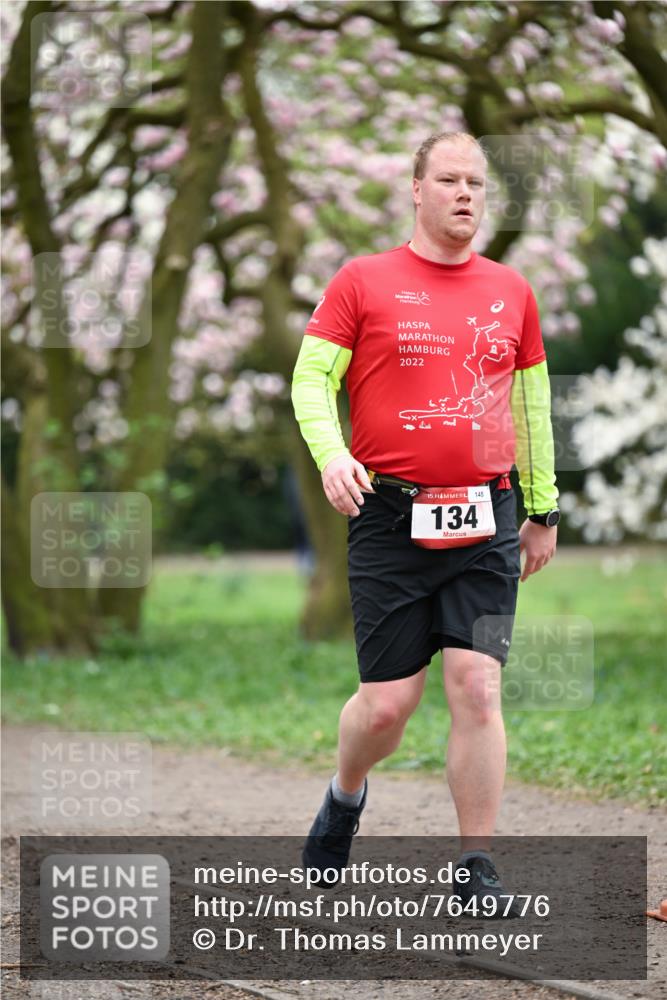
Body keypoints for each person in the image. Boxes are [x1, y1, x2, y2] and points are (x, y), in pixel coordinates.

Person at [290, 132, 559, 915]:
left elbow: (531, 407)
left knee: (477, 688)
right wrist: (332, 454)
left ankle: (474, 864)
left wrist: (540, 508)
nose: (465, 194)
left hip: (487, 512)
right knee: (386, 707)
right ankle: (343, 797)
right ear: (415, 189)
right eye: (448, 179)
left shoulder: (511, 290)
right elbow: (311, 380)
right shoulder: (361, 281)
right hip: (387, 518)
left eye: (476, 182)